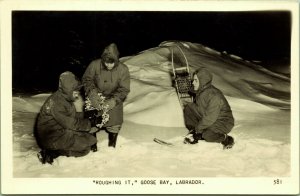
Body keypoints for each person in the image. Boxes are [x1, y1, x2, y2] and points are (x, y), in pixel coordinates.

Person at [35, 71, 98, 164]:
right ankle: (51, 153)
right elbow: (71, 123)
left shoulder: (64, 97)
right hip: (52, 137)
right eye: (75, 91)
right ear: (68, 89)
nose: (77, 94)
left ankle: (55, 150)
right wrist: (89, 123)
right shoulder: (57, 102)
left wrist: (85, 115)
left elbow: (70, 116)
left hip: (61, 131)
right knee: (85, 148)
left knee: (90, 139)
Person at [82, 43, 130, 148]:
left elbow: (124, 89)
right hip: (95, 96)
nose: (109, 65)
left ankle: (111, 147)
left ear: (117, 60)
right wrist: (92, 94)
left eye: (112, 63)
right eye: (106, 62)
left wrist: (113, 101)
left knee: (115, 121)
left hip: (113, 97)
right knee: (91, 119)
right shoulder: (94, 65)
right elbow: (86, 80)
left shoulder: (123, 69)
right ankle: (93, 146)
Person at [183, 67, 235, 149]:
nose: (193, 82)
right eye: (193, 80)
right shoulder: (202, 90)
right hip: (209, 117)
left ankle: (227, 139)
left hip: (223, 121)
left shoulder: (214, 95)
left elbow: (210, 118)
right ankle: (194, 133)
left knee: (208, 135)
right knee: (189, 108)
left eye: (196, 80)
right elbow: (200, 107)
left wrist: (198, 129)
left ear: (203, 81)